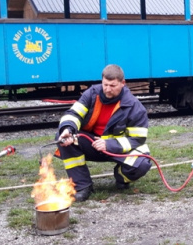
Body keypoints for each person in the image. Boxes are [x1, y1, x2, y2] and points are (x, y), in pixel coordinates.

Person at [56, 64, 151, 201]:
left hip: (116, 149)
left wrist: (109, 145)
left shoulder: (134, 106)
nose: (107, 89)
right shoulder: (91, 94)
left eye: (112, 86)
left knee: (142, 164)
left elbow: (137, 139)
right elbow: (73, 114)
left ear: (123, 83)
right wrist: (67, 129)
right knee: (64, 139)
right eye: (105, 84)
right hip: (91, 145)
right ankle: (83, 186)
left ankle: (121, 177)